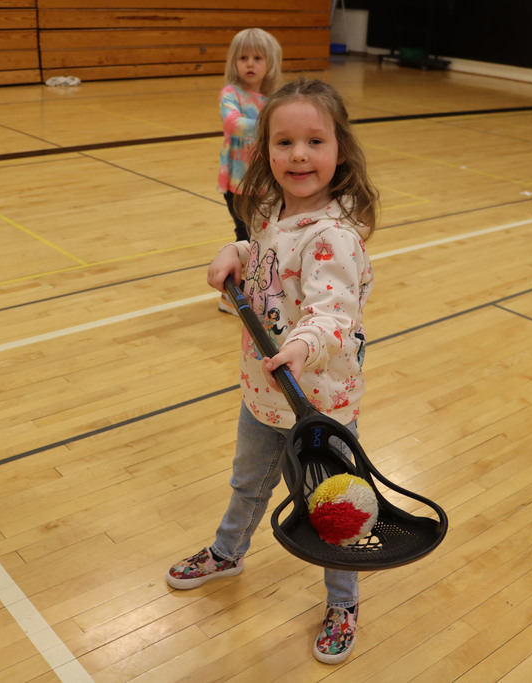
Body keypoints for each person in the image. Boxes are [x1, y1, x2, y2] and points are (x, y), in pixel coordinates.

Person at [168, 78, 379, 665]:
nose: (299, 155)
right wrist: (231, 254)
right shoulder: (270, 213)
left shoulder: (331, 237)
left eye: (315, 141)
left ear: (340, 152)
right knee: (247, 482)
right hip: (264, 395)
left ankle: (344, 600)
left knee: (329, 511)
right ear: (266, 151)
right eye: (285, 142)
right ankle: (228, 552)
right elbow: (259, 259)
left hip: (319, 403)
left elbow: (332, 313)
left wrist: (301, 346)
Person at [216, 28, 282, 314]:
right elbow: (232, 123)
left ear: (270, 64)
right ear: (234, 62)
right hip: (237, 185)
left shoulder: (272, 102)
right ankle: (230, 295)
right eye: (244, 57)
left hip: (265, 185)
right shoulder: (231, 94)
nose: (250, 63)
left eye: (257, 57)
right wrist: (272, 128)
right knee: (244, 236)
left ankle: (256, 288)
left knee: (263, 237)